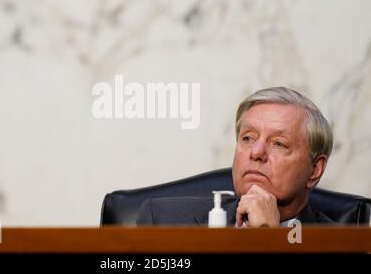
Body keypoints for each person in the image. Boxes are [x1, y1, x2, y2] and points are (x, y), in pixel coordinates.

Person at [136, 87, 335, 227]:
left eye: (279, 144)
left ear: (315, 170)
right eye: (248, 138)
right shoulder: (164, 221)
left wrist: (268, 241)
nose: (256, 153)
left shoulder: (345, 245)